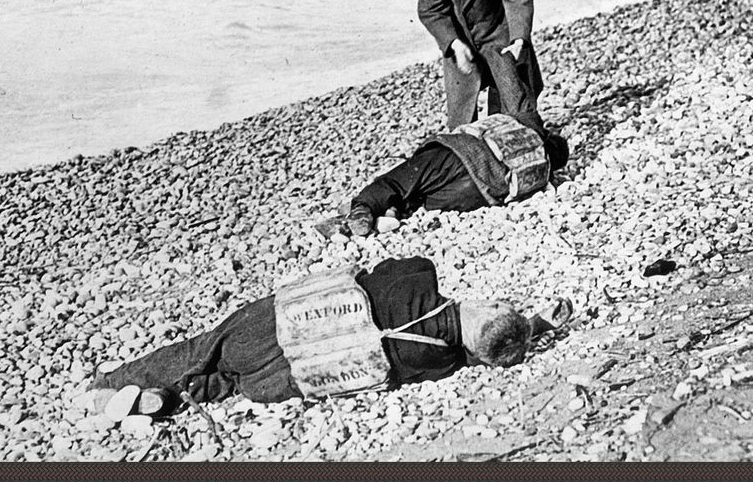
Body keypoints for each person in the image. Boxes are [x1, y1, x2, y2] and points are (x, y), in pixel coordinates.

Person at [88, 257, 573, 417]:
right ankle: (167, 399)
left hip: (274, 329)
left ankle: (109, 383)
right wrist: (534, 328)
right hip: (285, 382)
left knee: (204, 348)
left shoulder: (421, 278)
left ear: (487, 306)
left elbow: (378, 271)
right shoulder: (442, 364)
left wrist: (529, 323)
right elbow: (478, 355)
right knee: (232, 382)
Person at [320, 111, 568, 238]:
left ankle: (363, 207)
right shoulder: (542, 172)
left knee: (400, 180)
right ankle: (391, 211)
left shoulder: (521, 127)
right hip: (478, 191)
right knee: (423, 200)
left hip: (461, 155)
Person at [416, 0, 544, 130]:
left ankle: (533, 148)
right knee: (461, 119)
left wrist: (519, 39)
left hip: (499, 32)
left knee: (516, 106)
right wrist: (453, 43)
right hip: (460, 38)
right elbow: (431, 9)